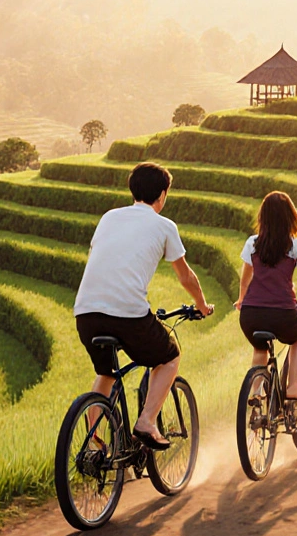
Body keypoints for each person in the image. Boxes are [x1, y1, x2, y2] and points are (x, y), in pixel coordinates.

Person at [73, 162, 215, 450]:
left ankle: (94, 443)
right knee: (169, 356)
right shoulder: (164, 226)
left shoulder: (109, 218)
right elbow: (185, 275)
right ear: (162, 195)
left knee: (106, 373)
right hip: (127, 314)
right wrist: (201, 305)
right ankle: (147, 421)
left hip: (86, 313)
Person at [234, 191, 297, 401]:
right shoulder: (296, 245)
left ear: (263, 218)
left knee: (260, 348)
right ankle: (292, 386)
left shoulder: (252, 243)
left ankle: (255, 391)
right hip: (283, 313)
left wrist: (242, 298)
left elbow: (245, 279)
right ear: (290, 216)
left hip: (250, 315)